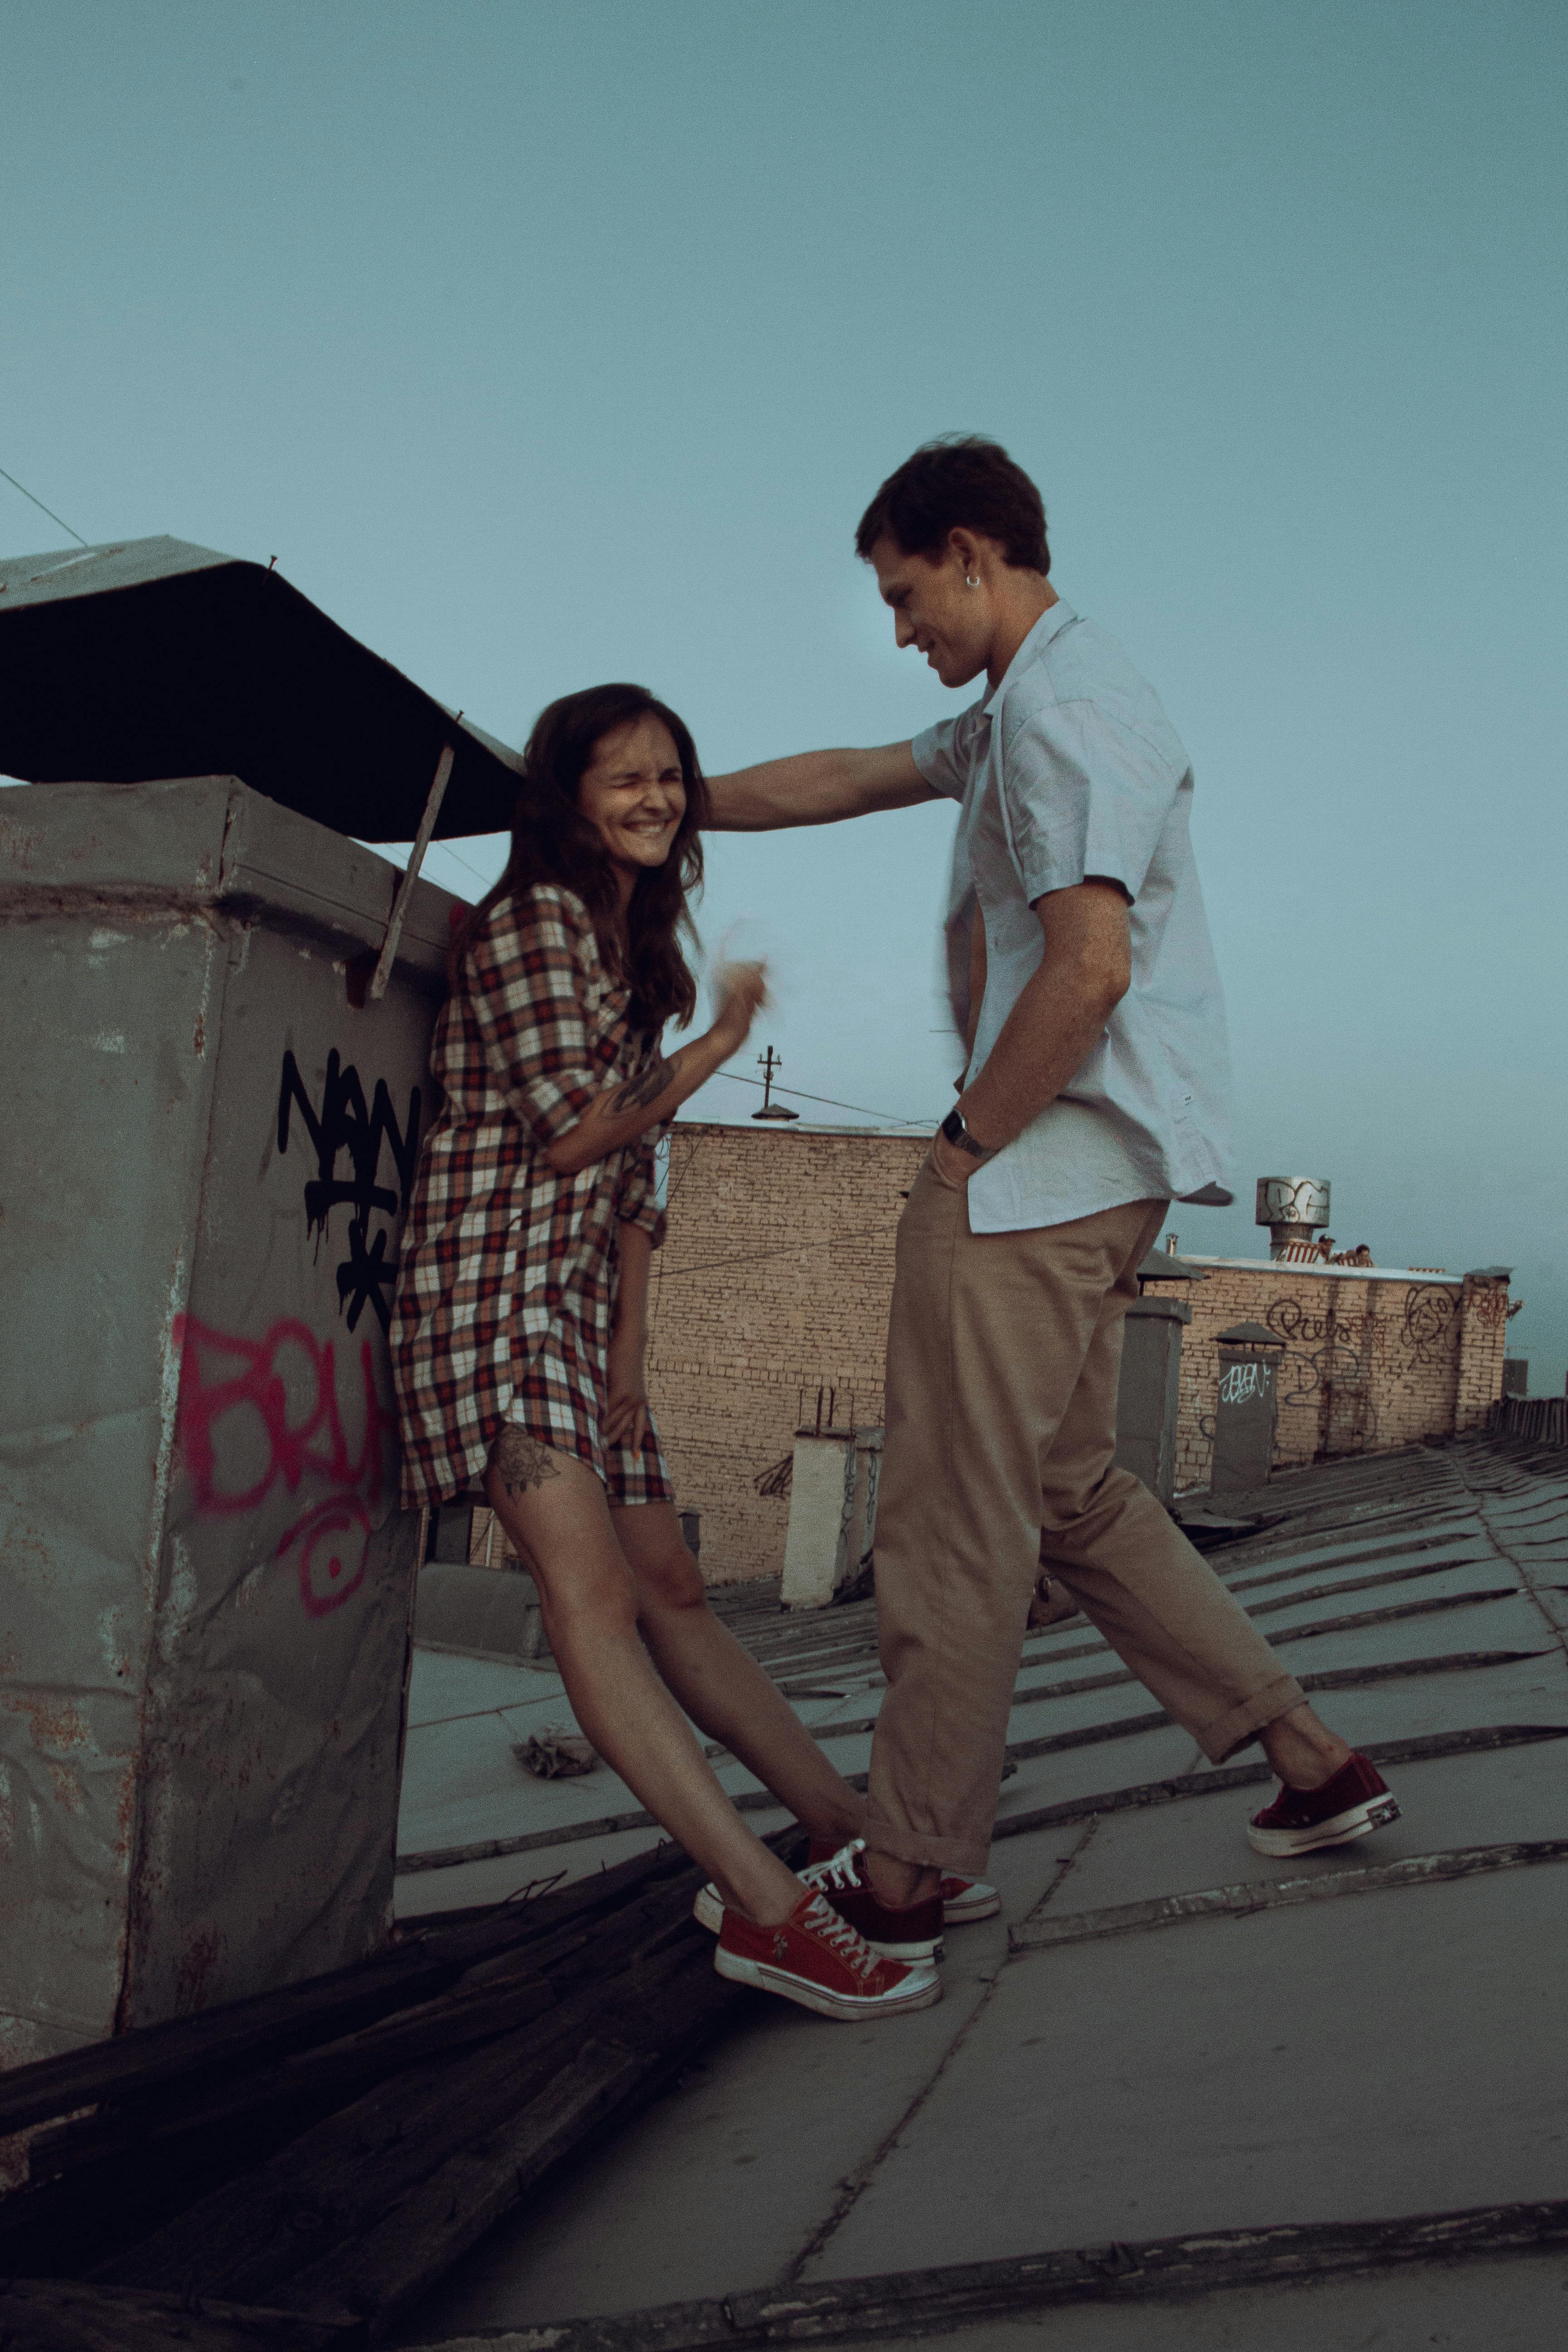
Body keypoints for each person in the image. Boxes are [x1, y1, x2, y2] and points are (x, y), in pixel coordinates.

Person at [702, 436, 1400, 1950]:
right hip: (1090, 1173)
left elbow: (1087, 968)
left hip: (1036, 1172)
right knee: (1072, 1490)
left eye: (904, 596)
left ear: (971, 553)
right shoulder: (1026, 702)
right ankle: (1309, 1759)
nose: (899, 634)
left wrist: (960, 1148)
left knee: (953, 1515)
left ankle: (911, 1873)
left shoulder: (1062, 715)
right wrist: (665, 801)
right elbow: (847, 773)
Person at [389, 683, 941, 2021]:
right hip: (488, 1302)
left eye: (670, 778)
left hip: (576, 1324)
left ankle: (834, 1822)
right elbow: (579, 1130)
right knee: (591, 1598)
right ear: (567, 796)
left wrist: (634, 1361)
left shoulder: (624, 946)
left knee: (674, 1582)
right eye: (623, 778)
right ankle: (764, 1908)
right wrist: (721, 1046)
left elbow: (636, 1190)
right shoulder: (526, 926)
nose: (654, 799)